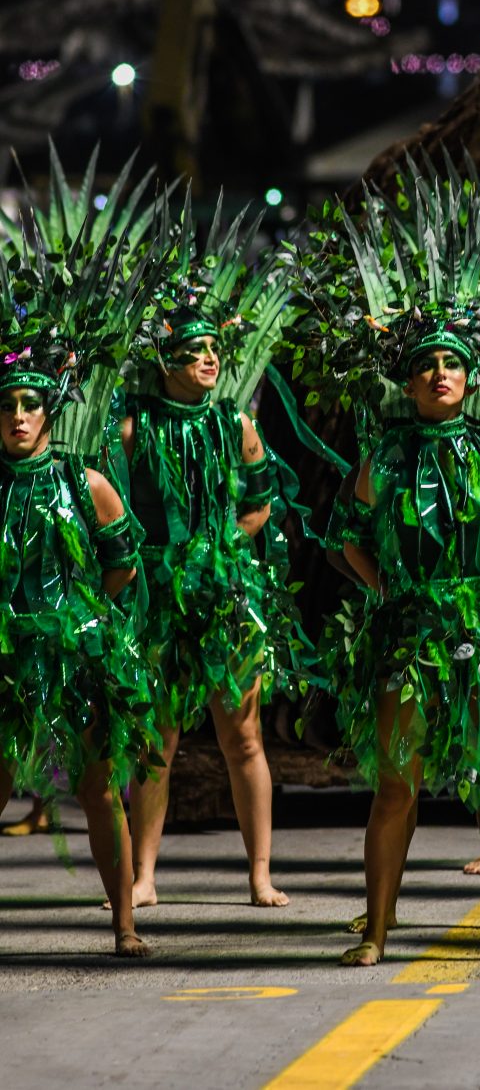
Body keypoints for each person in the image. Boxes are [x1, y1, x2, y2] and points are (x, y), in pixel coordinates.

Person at [337, 328, 480, 966]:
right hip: (409, 635)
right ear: (409, 385)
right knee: (395, 789)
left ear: (470, 380)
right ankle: (376, 933)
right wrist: (388, 591)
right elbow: (346, 537)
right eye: (428, 366)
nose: (442, 374)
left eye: (453, 364)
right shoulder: (386, 458)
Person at [122, 309, 287, 909]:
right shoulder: (133, 429)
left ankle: (260, 875)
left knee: (242, 737)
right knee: (156, 739)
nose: (210, 359)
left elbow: (259, 505)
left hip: (224, 597)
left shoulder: (235, 424)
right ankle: (142, 876)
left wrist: (218, 556)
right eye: (195, 350)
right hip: (159, 600)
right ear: (165, 362)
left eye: (215, 348)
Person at [0, 362, 152, 956]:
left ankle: (124, 924)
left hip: (77, 660)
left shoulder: (83, 484)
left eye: (30, 403)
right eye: (6, 404)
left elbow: (124, 563)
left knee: (100, 791)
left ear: (50, 412)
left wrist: (79, 622)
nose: (17, 416)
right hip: (7, 662)